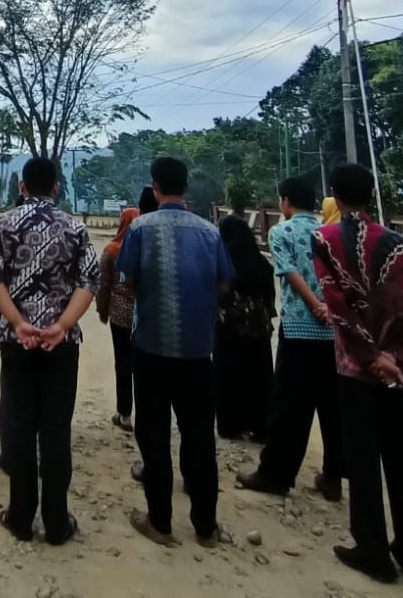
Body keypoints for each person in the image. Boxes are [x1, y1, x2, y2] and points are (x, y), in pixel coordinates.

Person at [312, 163, 403, 585]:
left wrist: (369, 355)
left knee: (363, 461)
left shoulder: (325, 239)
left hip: (355, 369)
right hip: (400, 370)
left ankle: (372, 550)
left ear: (335, 195)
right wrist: (394, 354)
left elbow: (336, 303)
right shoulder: (401, 244)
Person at [0, 157, 100, 547]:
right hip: (59, 344)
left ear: (22, 186)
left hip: (17, 342)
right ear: (56, 188)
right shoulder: (75, 228)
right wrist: (62, 325)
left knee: (19, 428)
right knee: (55, 430)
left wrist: (18, 322)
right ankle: (56, 522)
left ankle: (20, 517)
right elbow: (90, 280)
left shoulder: (3, 224)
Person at [119, 157, 233, 548]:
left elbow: (128, 280)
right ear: (185, 188)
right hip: (198, 350)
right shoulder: (210, 232)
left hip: (151, 345)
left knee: (153, 434)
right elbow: (224, 284)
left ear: (155, 187)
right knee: (199, 436)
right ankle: (206, 526)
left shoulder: (140, 228)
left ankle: (160, 522)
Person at [238, 176, 344, 501]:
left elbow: (288, 270)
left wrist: (314, 305)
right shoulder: (330, 232)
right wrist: (329, 307)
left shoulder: (281, 231)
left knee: (289, 406)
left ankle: (275, 474)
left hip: (299, 327)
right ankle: (333, 477)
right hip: (334, 331)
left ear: (285, 201)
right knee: (333, 406)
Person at [215, 214, 275, 443]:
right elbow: (269, 299)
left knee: (228, 375)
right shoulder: (263, 265)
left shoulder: (224, 263)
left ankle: (230, 425)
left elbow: (218, 294)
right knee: (259, 377)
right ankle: (260, 426)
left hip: (228, 328)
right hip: (258, 328)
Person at [96, 208, 140, 433]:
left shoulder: (111, 251)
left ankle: (124, 414)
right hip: (144, 317)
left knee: (122, 364)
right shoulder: (146, 249)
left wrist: (102, 311)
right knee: (142, 365)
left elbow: (103, 286)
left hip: (120, 316)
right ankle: (145, 412)